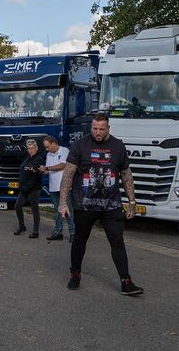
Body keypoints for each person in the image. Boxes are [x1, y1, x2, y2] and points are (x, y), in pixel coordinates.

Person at [59, 113, 143, 295]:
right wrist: (62, 203)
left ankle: (126, 282)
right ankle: (75, 274)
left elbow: (126, 175)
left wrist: (132, 202)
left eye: (101, 129)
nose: (98, 132)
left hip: (111, 206)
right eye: (94, 128)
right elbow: (68, 175)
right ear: (91, 127)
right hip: (84, 205)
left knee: (118, 242)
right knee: (80, 241)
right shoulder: (80, 145)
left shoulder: (118, 146)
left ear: (108, 128)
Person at [39, 135, 74, 242]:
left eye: (48, 146)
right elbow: (48, 170)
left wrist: (47, 168)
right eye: (45, 147)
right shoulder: (49, 154)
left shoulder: (64, 150)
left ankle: (73, 233)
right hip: (53, 187)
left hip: (64, 186)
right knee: (57, 211)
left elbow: (63, 165)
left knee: (68, 211)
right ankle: (58, 232)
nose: (47, 149)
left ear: (54, 143)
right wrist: (40, 171)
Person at [14, 139, 45, 238]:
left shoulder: (38, 159)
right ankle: (22, 226)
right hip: (24, 188)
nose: (30, 150)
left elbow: (37, 175)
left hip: (34, 188)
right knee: (17, 206)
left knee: (34, 209)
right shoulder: (27, 158)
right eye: (28, 148)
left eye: (32, 148)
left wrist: (28, 187)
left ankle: (36, 232)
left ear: (36, 148)